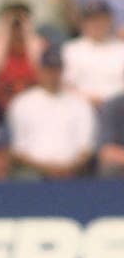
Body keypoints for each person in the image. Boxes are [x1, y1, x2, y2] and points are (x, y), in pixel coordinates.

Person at [7, 47, 96, 179]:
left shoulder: (80, 104)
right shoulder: (22, 103)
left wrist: (68, 168)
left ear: (62, 71)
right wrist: (48, 169)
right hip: (33, 175)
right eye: (48, 70)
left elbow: (86, 148)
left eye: (56, 70)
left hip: (73, 174)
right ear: (39, 71)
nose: (52, 75)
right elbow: (17, 150)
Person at [0, 0, 45, 111]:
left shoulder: (37, 44)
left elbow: (41, 69)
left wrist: (27, 32)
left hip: (33, 104)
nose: (17, 25)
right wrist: (5, 30)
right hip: (1, 106)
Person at [62, 0, 124, 108]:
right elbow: (66, 85)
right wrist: (87, 99)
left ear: (110, 20)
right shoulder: (71, 49)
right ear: (83, 22)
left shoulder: (120, 48)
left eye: (101, 19)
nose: (97, 24)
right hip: (81, 107)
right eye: (92, 19)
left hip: (118, 109)